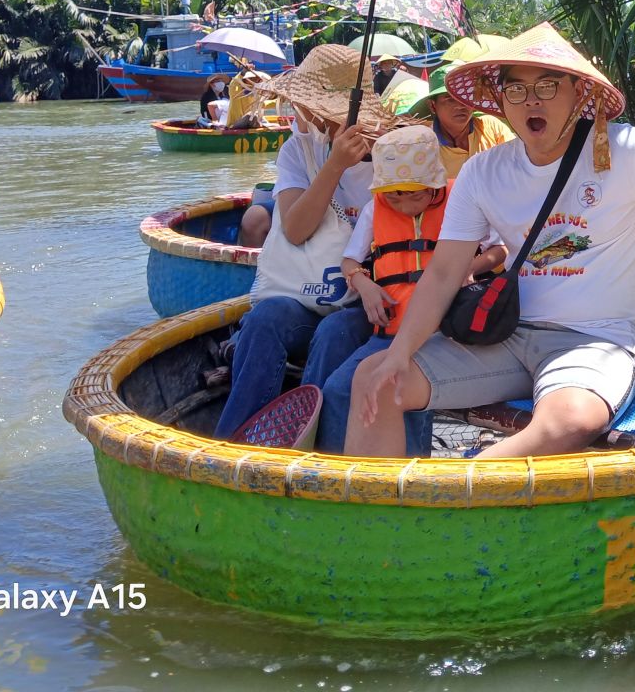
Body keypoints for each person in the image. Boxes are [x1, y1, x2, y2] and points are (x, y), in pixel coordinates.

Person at [344, 23, 635, 459]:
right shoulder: (483, 171)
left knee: (572, 418)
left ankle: (451, 496)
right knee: (374, 377)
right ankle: (381, 519)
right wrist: (399, 353)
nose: (532, 100)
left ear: (579, 93)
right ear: (501, 103)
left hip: (597, 339)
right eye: (517, 90)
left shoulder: (630, 149)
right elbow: (443, 274)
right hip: (505, 332)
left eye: (548, 86)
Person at [212, 45, 397, 439]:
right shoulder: (299, 150)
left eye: (307, 103)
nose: (299, 110)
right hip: (305, 296)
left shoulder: (392, 157)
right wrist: (335, 166)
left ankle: (310, 440)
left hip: (367, 302)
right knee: (265, 320)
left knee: (333, 335)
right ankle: (236, 439)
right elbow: (296, 229)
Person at [310, 125, 507, 451]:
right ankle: (335, 467)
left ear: (434, 186)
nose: (404, 204)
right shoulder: (376, 208)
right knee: (338, 388)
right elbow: (349, 261)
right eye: (394, 195)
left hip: (443, 335)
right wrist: (365, 284)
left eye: (415, 194)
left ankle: (413, 476)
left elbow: (499, 252)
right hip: (388, 334)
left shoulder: (460, 200)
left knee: (405, 396)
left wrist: (467, 267)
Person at [423, 60, 516, 177]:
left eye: (464, 97)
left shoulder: (492, 127)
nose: (460, 105)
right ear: (432, 105)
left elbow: (517, 162)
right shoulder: (424, 147)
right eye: (450, 99)